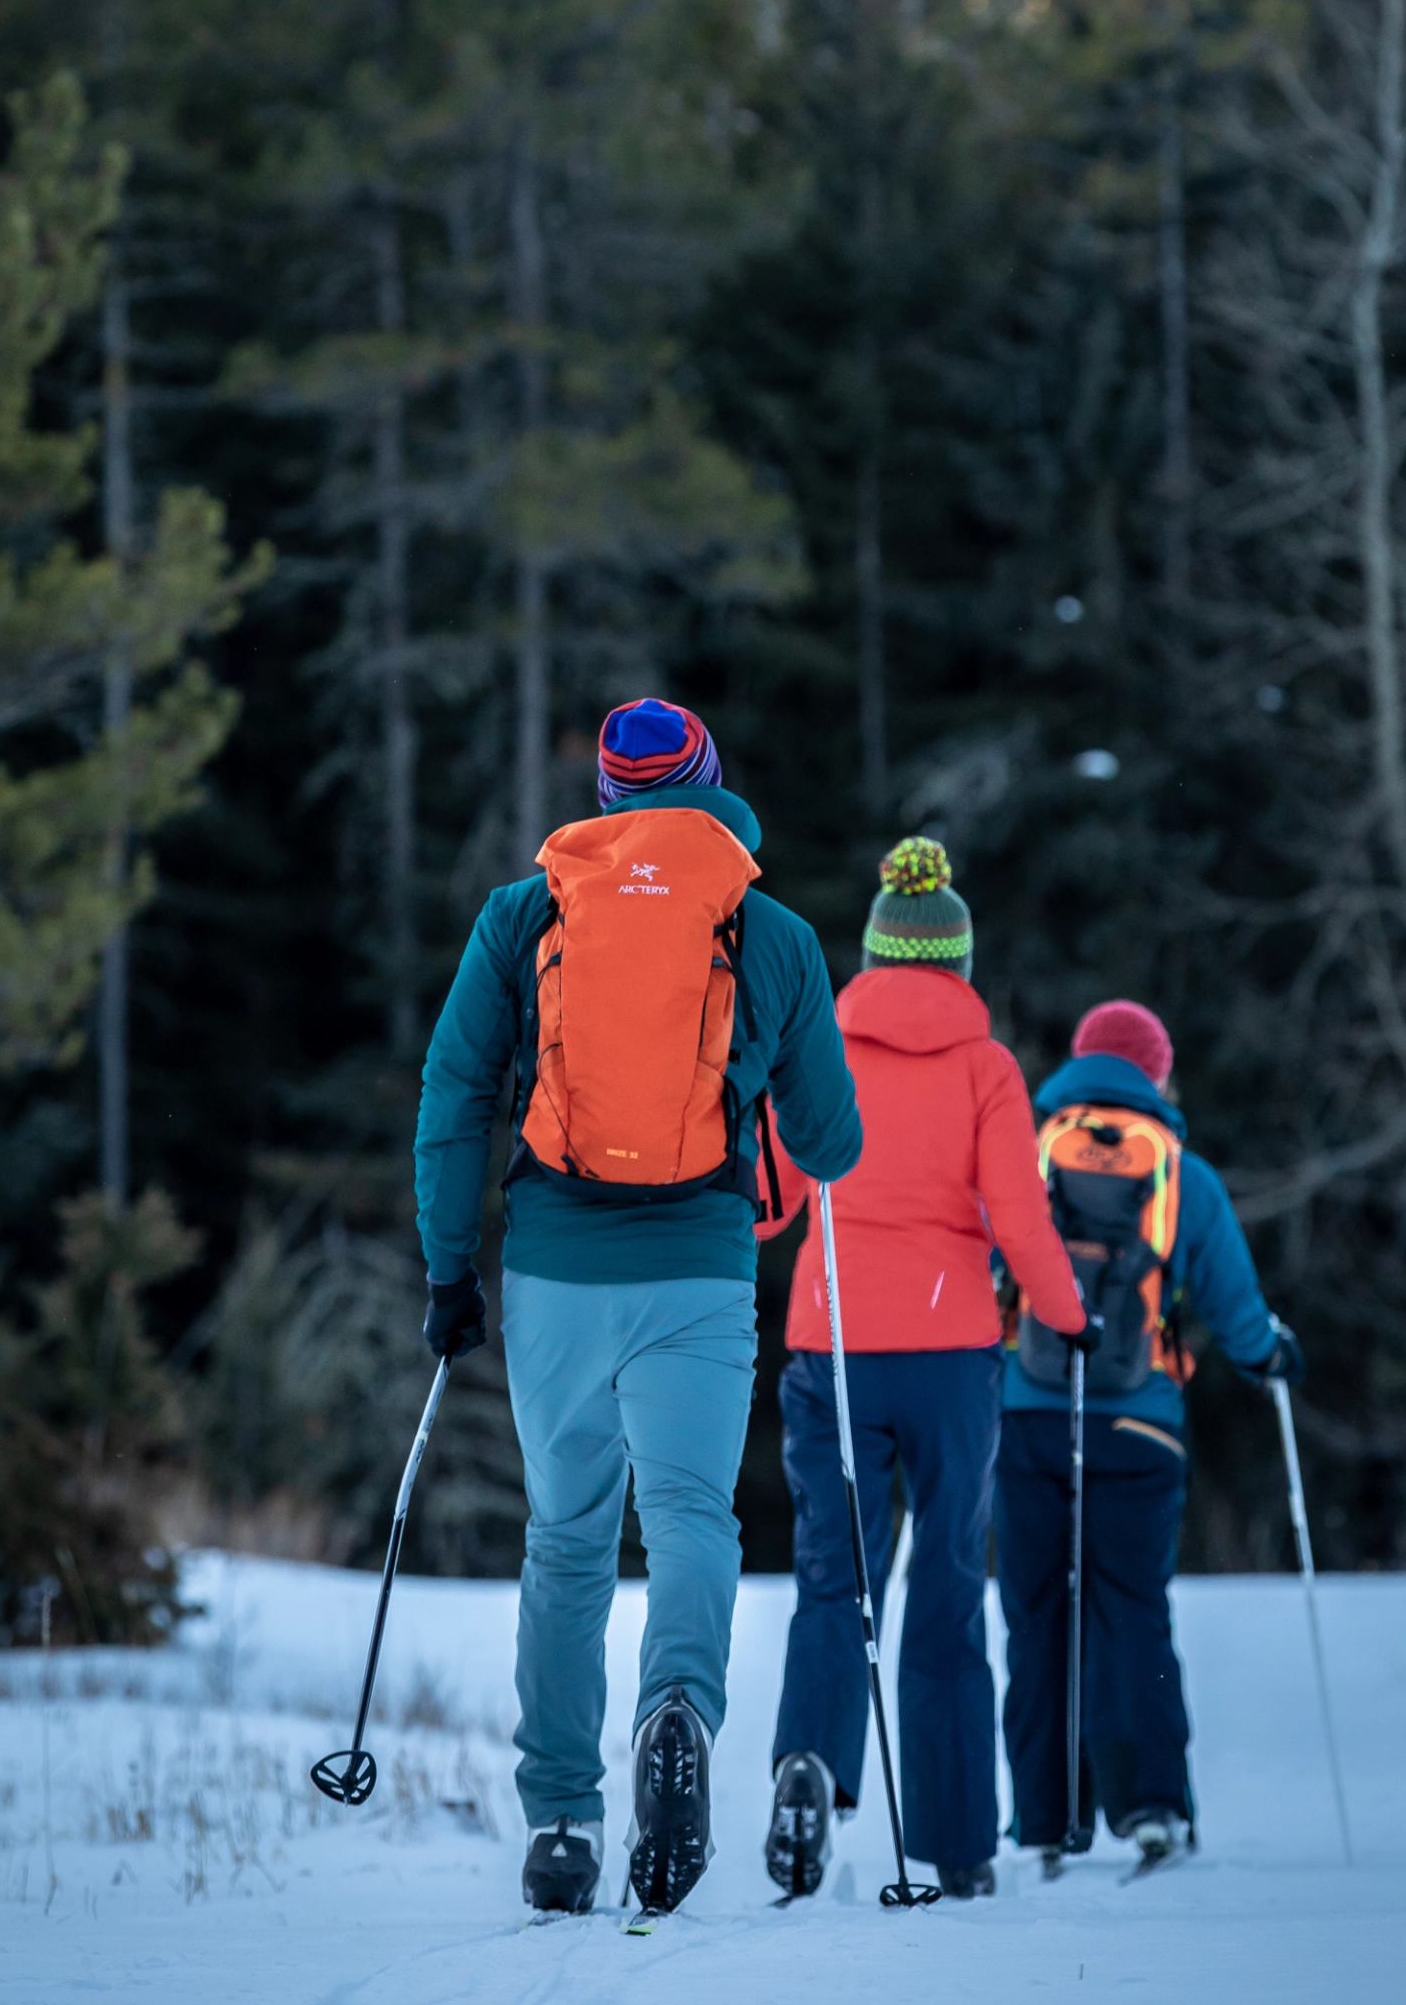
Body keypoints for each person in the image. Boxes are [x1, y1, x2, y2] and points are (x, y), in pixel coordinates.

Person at [413, 696, 862, 1920]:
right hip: (701, 1274)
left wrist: (451, 1268)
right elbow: (832, 1140)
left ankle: (561, 1818)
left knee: (565, 1540)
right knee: (691, 1520)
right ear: (711, 783)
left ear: (607, 800)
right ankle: (680, 1709)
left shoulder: (525, 915)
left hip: (554, 1268)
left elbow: (456, 1088)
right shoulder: (769, 931)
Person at [759, 839, 1086, 1902]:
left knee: (831, 1580)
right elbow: (1019, 1215)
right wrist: (1066, 1315)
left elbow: (774, 1200)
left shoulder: (824, 1047)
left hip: (835, 1342)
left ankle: (810, 1766)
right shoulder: (988, 1068)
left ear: (871, 954)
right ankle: (957, 1843)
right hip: (951, 1359)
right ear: (959, 962)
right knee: (946, 1590)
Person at [995, 998, 1302, 1877]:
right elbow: (1239, 1315)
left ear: (1078, 1064)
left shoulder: (1028, 1155)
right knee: (1134, 1610)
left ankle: (1048, 1819)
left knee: (1037, 1618)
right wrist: (1273, 1357)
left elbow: (988, 1274)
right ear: (1157, 1074)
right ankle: (1154, 1804)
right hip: (1141, 1423)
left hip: (1029, 1418)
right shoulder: (1182, 1173)